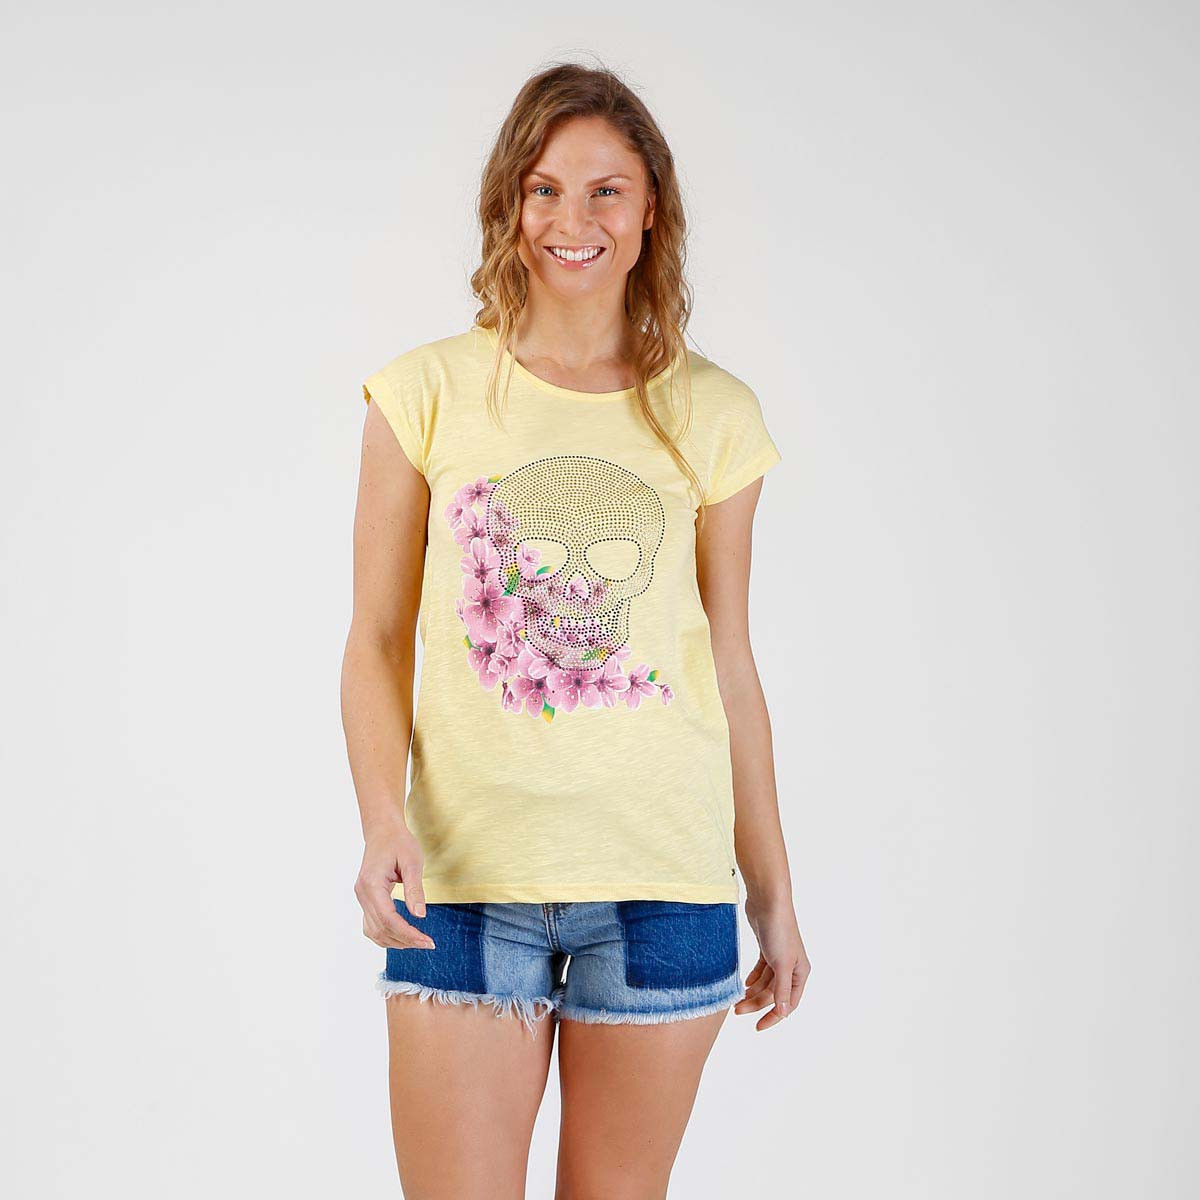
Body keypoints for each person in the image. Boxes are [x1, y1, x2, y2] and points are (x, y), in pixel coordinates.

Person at [341, 60, 811, 1200]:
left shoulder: (713, 412)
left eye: (607, 191)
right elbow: (377, 638)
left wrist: (772, 890)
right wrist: (381, 820)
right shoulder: (424, 394)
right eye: (545, 189)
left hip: (663, 886)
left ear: (651, 211)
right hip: (462, 884)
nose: (573, 220)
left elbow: (729, 662)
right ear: (510, 203)